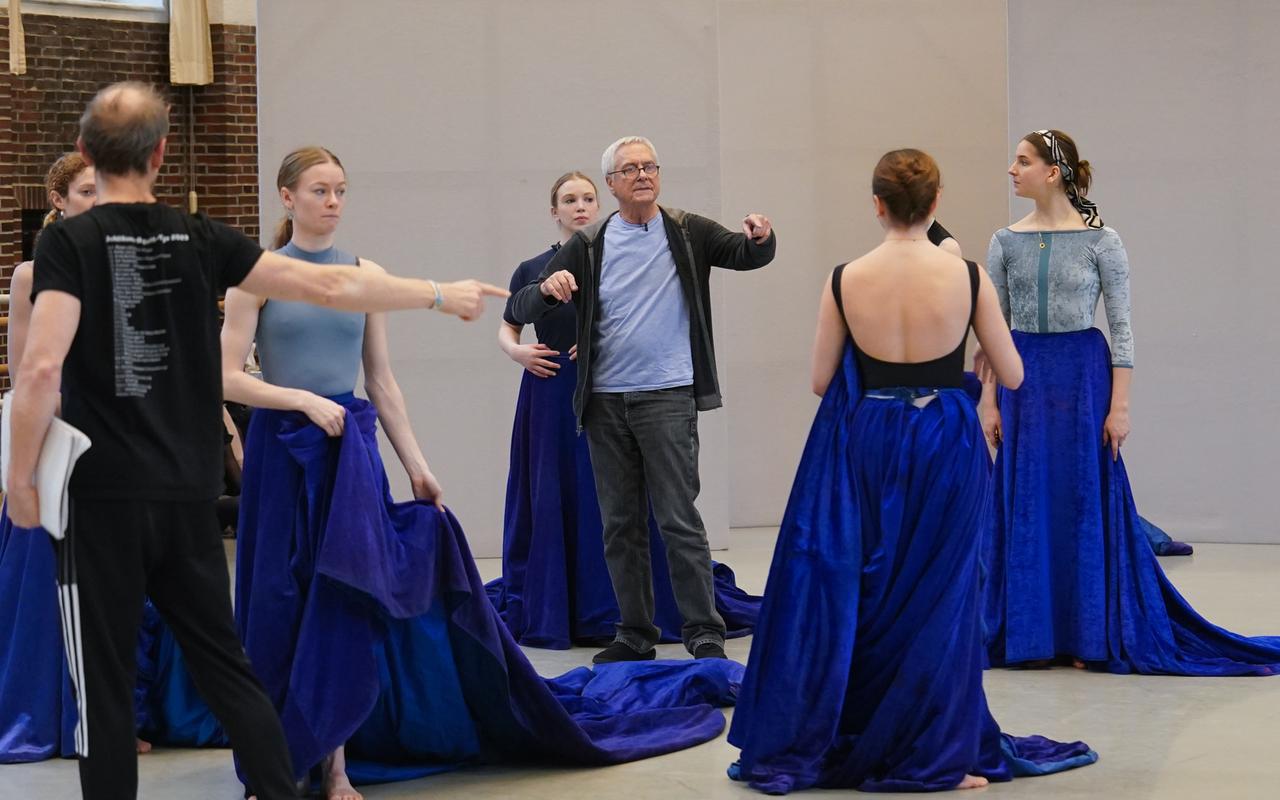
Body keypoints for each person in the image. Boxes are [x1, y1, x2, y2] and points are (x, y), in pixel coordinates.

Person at [5, 82, 506, 800]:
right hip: (186, 495)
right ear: (162, 153)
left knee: (105, 686)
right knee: (227, 667)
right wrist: (435, 292)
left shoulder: (68, 243)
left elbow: (42, 366)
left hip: (104, 498)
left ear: (87, 152)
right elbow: (328, 289)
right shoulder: (202, 236)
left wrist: (21, 481)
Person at [223, 149, 746, 798]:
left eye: (340, 190)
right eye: (319, 191)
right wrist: (300, 399)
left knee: (343, 601)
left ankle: (333, 767)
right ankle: (269, 764)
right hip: (283, 450)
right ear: (286, 197)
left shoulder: (367, 274)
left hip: (346, 451)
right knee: (276, 599)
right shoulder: (255, 277)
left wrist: (418, 466)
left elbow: (382, 382)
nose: (332, 202)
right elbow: (225, 377)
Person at [728, 149, 1097, 793]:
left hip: (869, 438)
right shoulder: (969, 277)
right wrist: (974, 353)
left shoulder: (845, 278)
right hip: (945, 441)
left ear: (876, 205)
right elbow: (1012, 375)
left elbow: (821, 381)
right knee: (943, 597)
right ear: (936, 203)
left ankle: (864, 728)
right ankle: (936, 753)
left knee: (870, 591)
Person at [980, 129, 1280, 673]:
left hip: (1083, 381)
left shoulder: (1103, 241)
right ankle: (1031, 634)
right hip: (1023, 378)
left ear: (1053, 172)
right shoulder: (1004, 241)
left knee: (1081, 497)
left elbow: (1121, 329)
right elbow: (994, 328)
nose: (1011, 170)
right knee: (1028, 498)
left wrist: (1120, 407)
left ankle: (1086, 633)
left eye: (1022, 161)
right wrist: (989, 401)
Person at [507, 136, 777, 663]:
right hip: (605, 402)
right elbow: (520, 304)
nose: (642, 175)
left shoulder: (686, 230)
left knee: (678, 519)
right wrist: (548, 288)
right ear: (611, 184)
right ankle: (634, 632)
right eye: (629, 169)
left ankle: (704, 630)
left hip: (667, 397)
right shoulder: (588, 244)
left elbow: (744, 255)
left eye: (649, 166)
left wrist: (761, 237)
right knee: (620, 523)